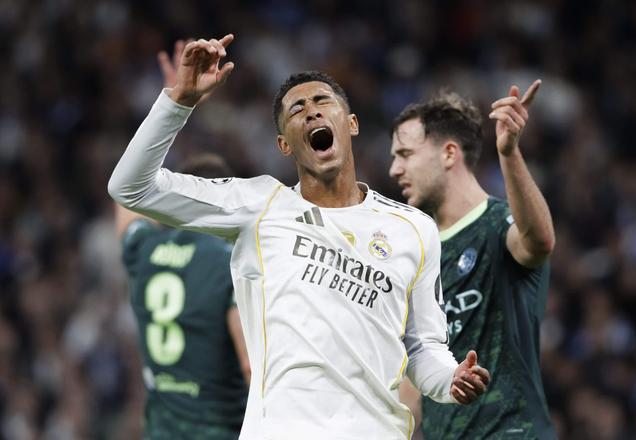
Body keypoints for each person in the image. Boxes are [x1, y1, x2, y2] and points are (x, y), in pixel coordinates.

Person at [108, 35, 490, 440]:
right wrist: (178, 102)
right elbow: (130, 187)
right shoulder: (259, 206)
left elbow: (422, 347)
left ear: (351, 124)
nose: (311, 111)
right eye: (297, 109)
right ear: (284, 144)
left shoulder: (412, 229)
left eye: (322, 101)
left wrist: (450, 379)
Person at [389, 83, 556, 439]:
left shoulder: (498, 225)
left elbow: (539, 241)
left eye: (405, 154)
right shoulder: (416, 255)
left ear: (449, 154)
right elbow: (412, 385)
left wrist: (508, 153)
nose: (394, 169)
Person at [114, 42, 249, 440]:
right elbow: (250, 365)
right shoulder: (230, 262)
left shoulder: (143, 249)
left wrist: (175, 103)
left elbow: (126, 195)